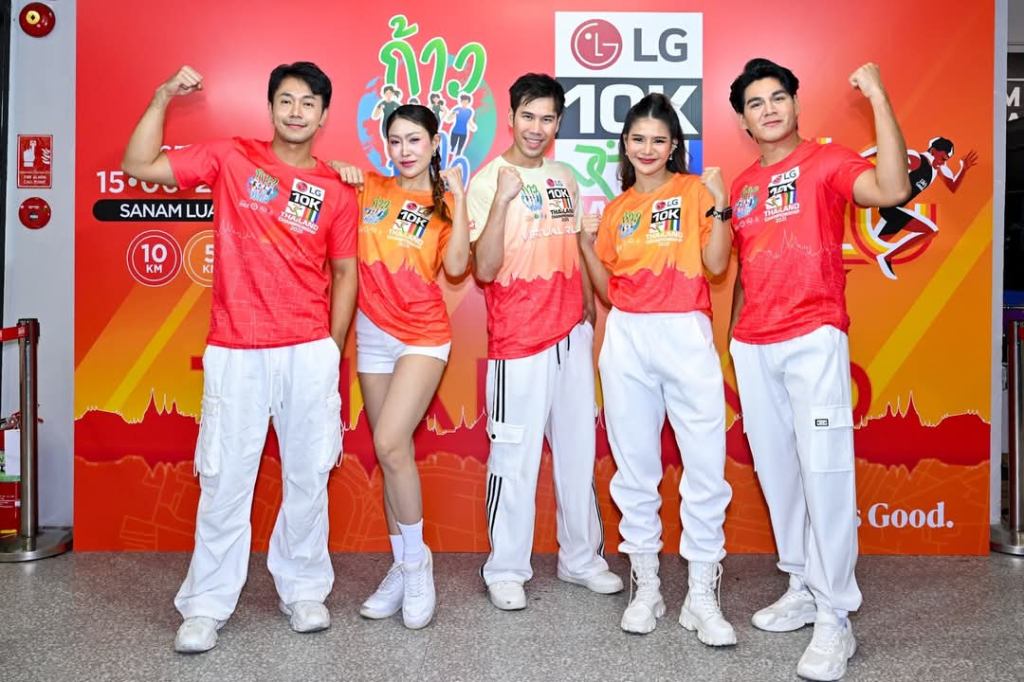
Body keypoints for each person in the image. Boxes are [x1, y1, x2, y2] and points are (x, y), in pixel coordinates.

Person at [121, 63, 358, 653]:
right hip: (237, 348)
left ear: (324, 115)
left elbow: (345, 272)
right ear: (271, 107)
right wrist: (162, 96)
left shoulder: (335, 188)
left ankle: (304, 589)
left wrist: (329, 346)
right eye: (286, 100)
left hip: (307, 350)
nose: (296, 111)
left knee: (309, 476)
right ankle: (205, 605)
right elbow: (139, 164)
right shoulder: (233, 158)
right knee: (225, 479)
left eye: (308, 103)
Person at [727, 58, 910, 680]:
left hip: (813, 335)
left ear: (796, 104)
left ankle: (835, 618)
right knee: (780, 474)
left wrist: (878, 96)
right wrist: (735, 340)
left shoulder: (827, 162)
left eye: (778, 97)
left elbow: (892, 189)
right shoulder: (743, 186)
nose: (769, 109)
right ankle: (803, 587)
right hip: (754, 346)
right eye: (756, 103)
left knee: (824, 474)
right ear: (744, 119)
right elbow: (746, 268)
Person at [578, 93, 735, 644]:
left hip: (685, 332)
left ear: (674, 147)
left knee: (705, 467)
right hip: (627, 337)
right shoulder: (616, 210)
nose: (647, 149)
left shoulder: (694, 192)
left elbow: (717, 264)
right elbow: (608, 290)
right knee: (635, 469)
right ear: (625, 144)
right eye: (638, 139)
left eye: (659, 140)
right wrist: (585, 243)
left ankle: (700, 597)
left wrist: (721, 205)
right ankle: (646, 587)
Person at [467, 72, 622, 611]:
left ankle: (581, 559)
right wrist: (502, 201)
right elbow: (484, 269)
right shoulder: (488, 181)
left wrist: (586, 310)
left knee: (578, 453)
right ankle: (506, 568)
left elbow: (577, 245)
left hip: (571, 335)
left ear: (558, 123)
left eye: (548, 118)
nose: (537, 127)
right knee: (513, 458)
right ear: (512, 117)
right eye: (528, 116)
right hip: (518, 340)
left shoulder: (564, 177)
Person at [331, 104, 470, 629]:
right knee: (393, 455)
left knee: (390, 443)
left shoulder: (444, 203)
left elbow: (456, 267)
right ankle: (402, 562)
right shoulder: (369, 188)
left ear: (433, 143)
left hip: (422, 334)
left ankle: (416, 567)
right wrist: (341, 171)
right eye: (396, 140)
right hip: (372, 334)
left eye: (415, 140)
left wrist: (458, 199)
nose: (405, 150)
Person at [867, 137, 978, 279]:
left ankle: (855, 269)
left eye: (946, 160)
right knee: (930, 231)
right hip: (889, 206)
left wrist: (964, 169)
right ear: (933, 151)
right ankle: (887, 257)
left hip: (896, 211)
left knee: (873, 247)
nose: (943, 162)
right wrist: (862, 158)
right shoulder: (918, 159)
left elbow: (952, 186)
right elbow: (889, 154)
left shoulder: (937, 170)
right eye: (943, 158)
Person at [445, 93, 477, 159]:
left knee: (460, 146)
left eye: (466, 102)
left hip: (464, 132)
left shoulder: (469, 111)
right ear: (461, 102)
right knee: (452, 144)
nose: (465, 103)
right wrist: (453, 114)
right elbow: (449, 119)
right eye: (463, 102)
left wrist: (472, 126)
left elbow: (468, 120)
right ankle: (452, 149)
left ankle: (457, 156)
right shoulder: (457, 109)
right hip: (455, 130)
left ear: (469, 103)